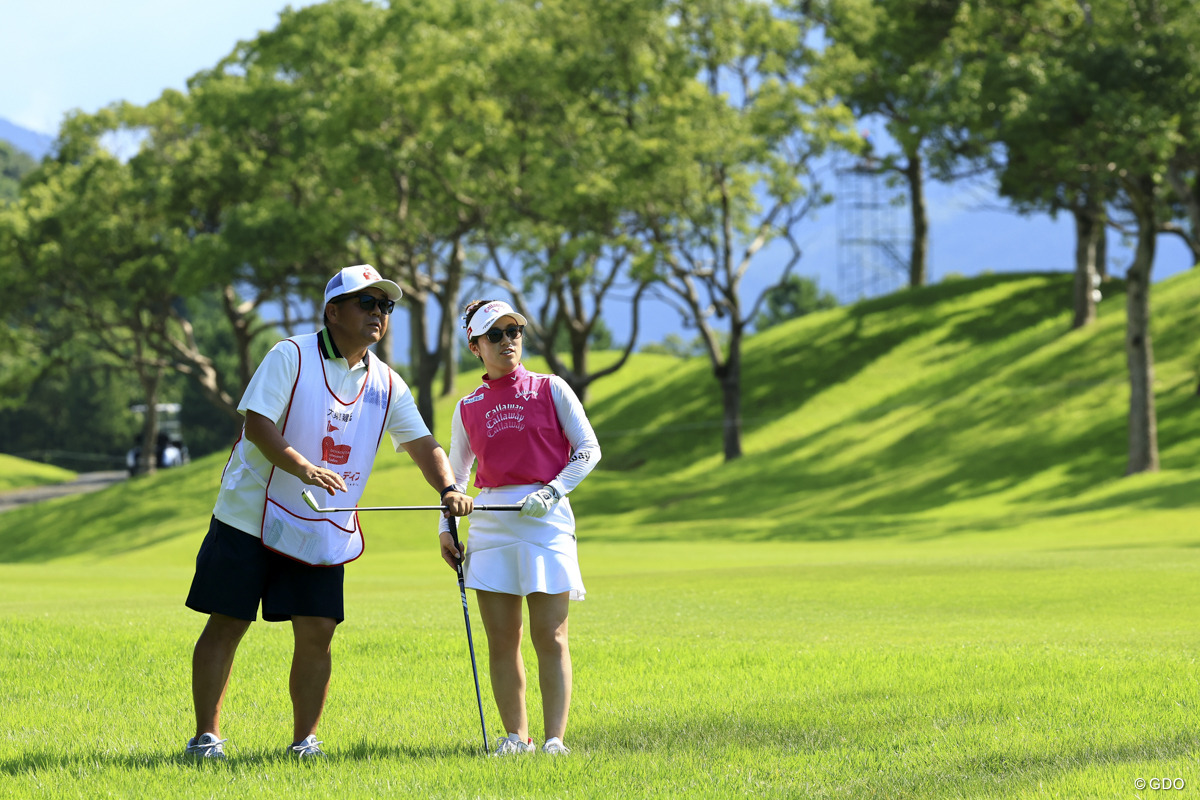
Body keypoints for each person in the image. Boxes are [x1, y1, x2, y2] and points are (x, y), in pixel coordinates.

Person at [183, 265, 472, 761]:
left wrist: (449, 486)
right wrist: (304, 468)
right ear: (333, 311)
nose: (378, 314)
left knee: (318, 629)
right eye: (367, 303)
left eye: (386, 306)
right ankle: (205, 737)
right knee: (228, 621)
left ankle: (304, 742)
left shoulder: (386, 382)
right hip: (250, 512)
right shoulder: (289, 355)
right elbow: (257, 426)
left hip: (320, 523)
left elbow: (424, 445)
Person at [439, 299, 601, 757]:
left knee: (550, 635)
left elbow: (588, 450)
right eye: (495, 335)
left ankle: (553, 740)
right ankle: (516, 738)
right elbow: (456, 476)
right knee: (502, 639)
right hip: (490, 522)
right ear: (475, 346)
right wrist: (446, 527)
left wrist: (552, 492)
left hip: (545, 519)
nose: (508, 341)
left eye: (514, 331)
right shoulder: (467, 407)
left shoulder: (552, 388)